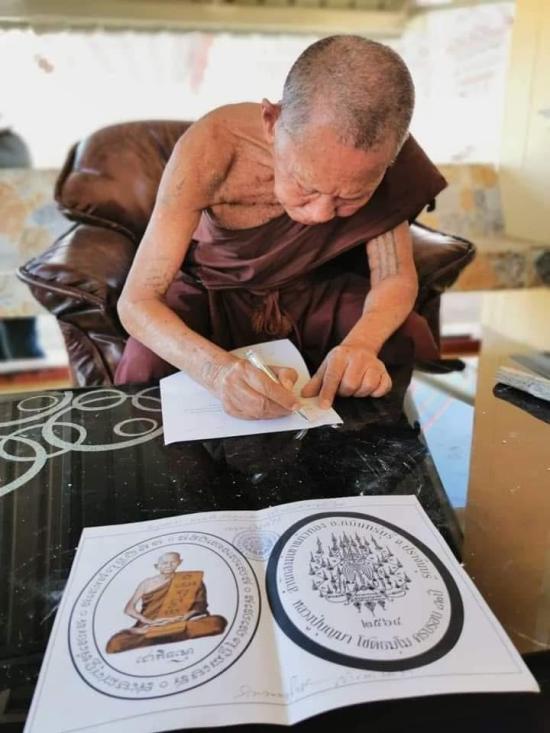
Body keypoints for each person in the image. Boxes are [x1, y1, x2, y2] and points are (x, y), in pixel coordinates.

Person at [116, 35, 446, 419]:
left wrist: (361, 346)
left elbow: (393, 275)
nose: (321, 214)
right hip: (215, 292)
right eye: (306, 186)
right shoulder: (212, 148)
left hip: (317, 288)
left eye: (351, 197)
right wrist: (216, 372)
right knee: (146, 358)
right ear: (272, 122)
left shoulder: (383, 149)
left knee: (400, 337)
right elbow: (136, 301)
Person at [106, 551, 227, 654]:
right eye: (164, 563)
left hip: (181, 621)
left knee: (217, 622)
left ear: (179, 562)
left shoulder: (192, 579)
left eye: (173, 562)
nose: (169, 566)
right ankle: (160, 633)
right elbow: (129, 609)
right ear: (157, 566)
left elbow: (200, 605)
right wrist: (149, 622)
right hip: (150, 624)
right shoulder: (147, 583)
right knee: (115, 643)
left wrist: (184, 617)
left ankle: (156, 635)